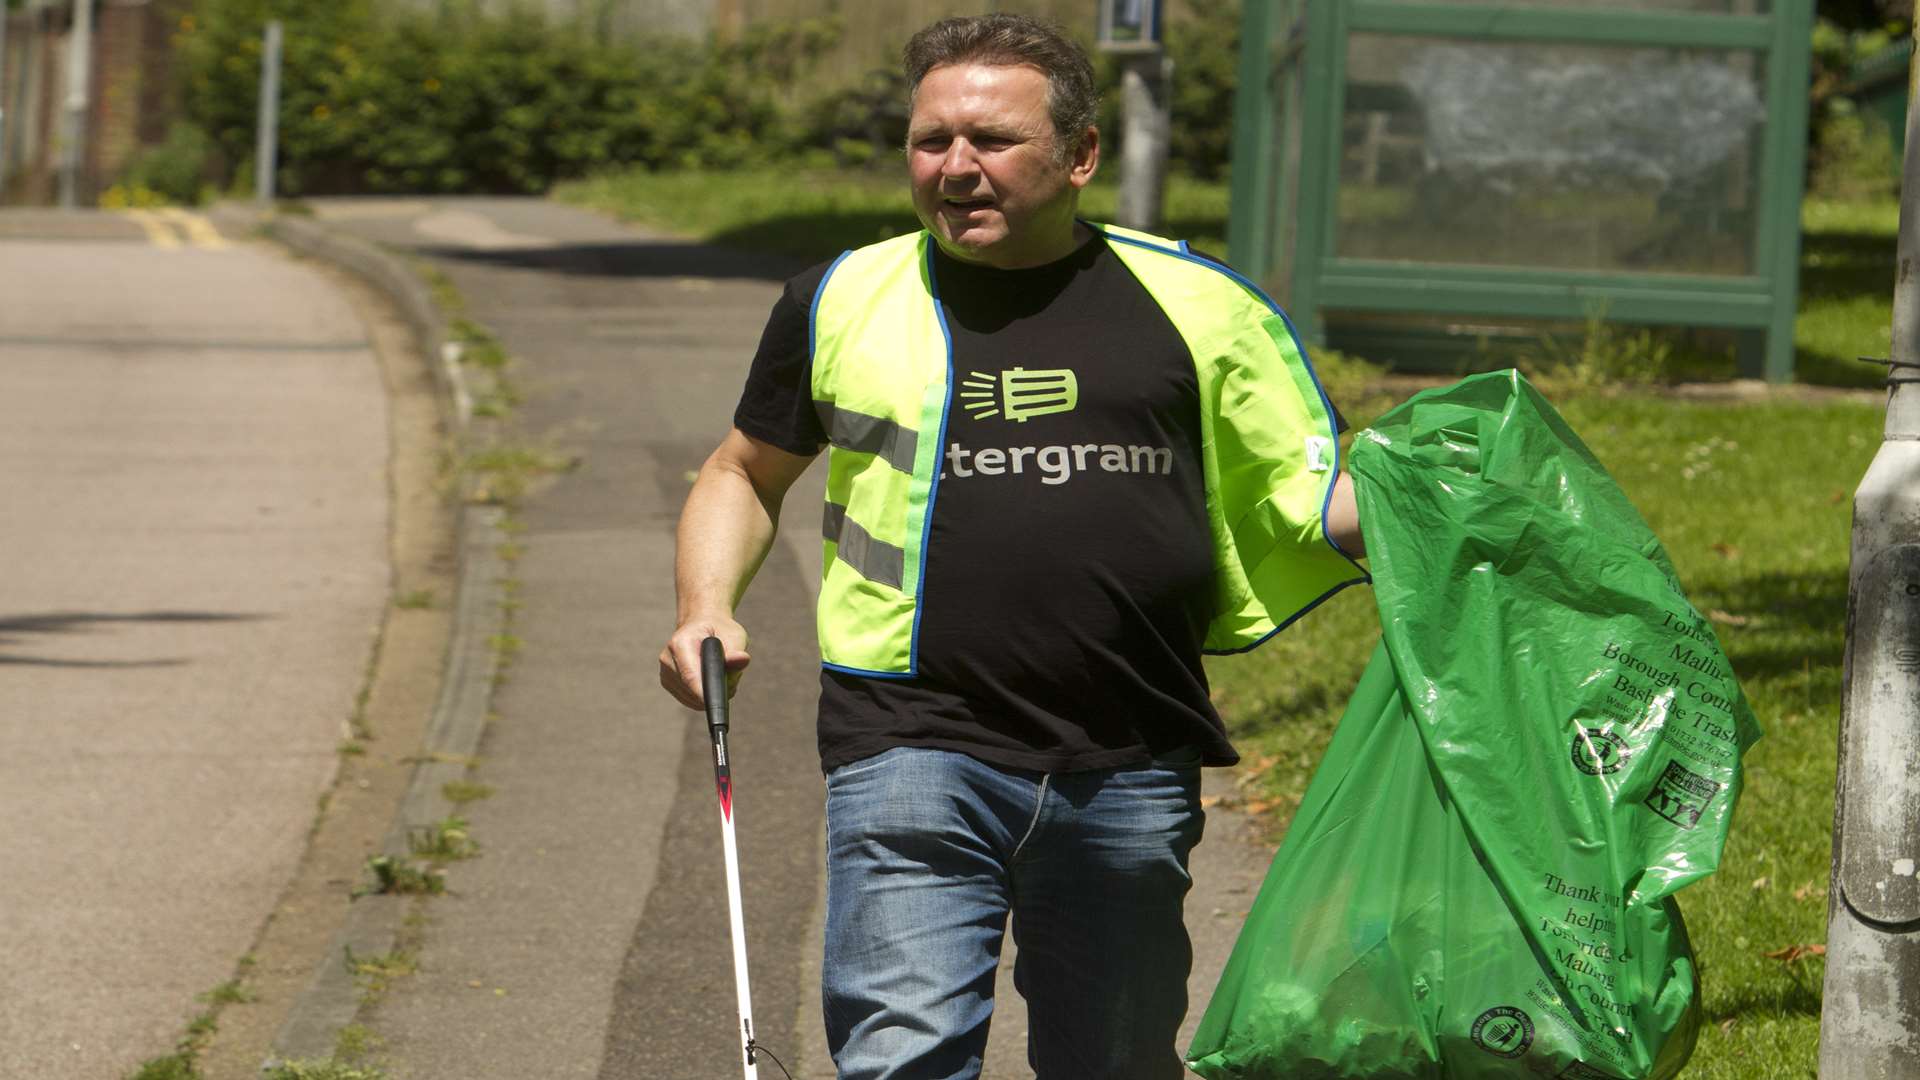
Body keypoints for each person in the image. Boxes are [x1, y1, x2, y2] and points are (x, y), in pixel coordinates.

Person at [660, 13, 1367, 1078]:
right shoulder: (842, 298)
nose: (954, 168)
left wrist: (1455, 509)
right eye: (930, 140)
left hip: (1131, 751)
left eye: (991, 141)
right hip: (910, 740)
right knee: (903, 1057)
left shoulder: (1203, 307)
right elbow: (742, 473)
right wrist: (704, 605)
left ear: (1080, 156)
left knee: (1115, 1062)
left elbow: (1311, 501)